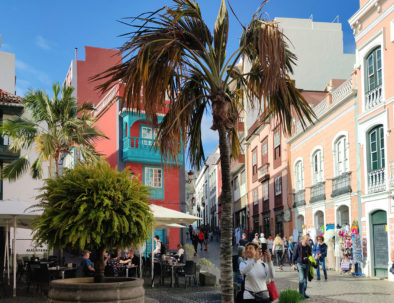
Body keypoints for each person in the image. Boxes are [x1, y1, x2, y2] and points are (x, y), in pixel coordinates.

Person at [292, 235, 312, 299]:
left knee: (305, 280)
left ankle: (304, 292)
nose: (307, 241)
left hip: (307, 264)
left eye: (308, 240)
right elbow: (294, 255)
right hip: (299, 264)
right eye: (306, 239)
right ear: (303, 239)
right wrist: (293, 264)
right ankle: (301, 295)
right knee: (301, 279)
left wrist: (311, 261)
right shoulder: (298, 246)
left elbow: (310, 255)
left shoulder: (308, 247)